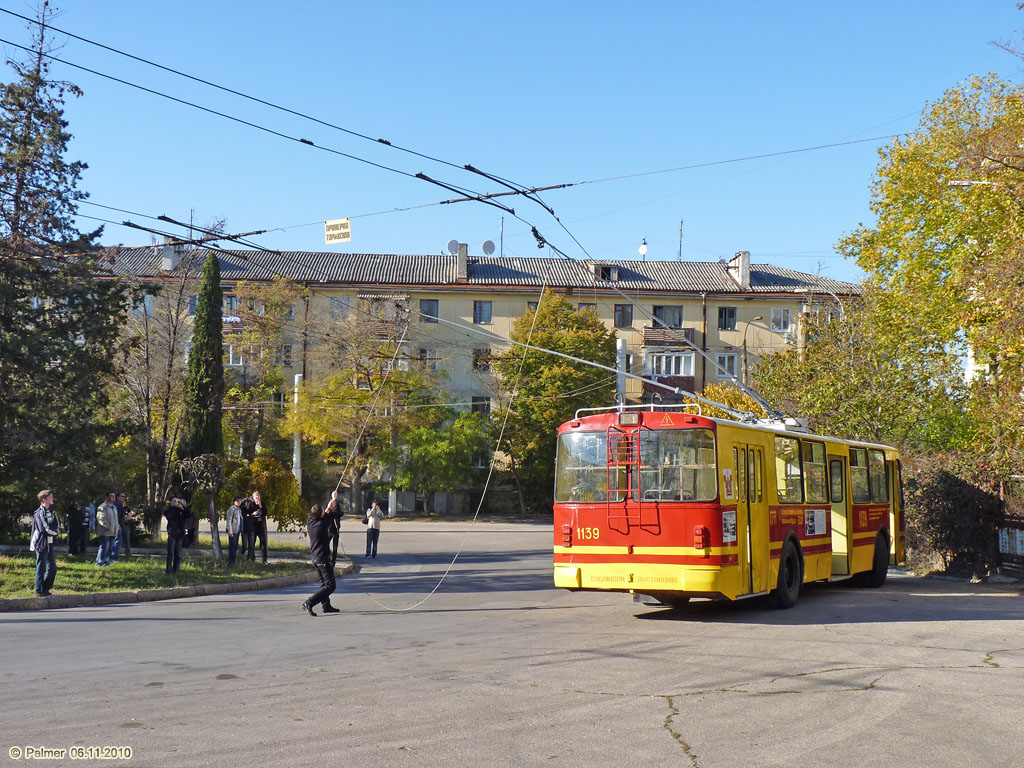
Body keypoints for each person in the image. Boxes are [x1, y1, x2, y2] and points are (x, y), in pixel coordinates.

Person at [301, 503, 339, 617]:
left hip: (316, 558)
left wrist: (328, 506)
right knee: (330, 586)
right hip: (322, 558)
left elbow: (324, 515)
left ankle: (326, 605)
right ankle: (309, 602)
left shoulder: (310, 521)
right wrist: (333, 503)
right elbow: (331, 516)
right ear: (321, 514)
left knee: (323, 584)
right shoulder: (322, 526)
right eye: (323, 510)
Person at [30, 490, 60, 596]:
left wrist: (56, 531)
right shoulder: (39, 513)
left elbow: (56, 524)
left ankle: (46, 588)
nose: (52, 499)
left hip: (50, 543)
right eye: (50, 497)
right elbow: (43, 528)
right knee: (41, 567)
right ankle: (39, 590)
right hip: (41, 543)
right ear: (44, 499)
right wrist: (55, 532)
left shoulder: (52, 512)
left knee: (53, 568)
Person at [242, 490, 268, 564]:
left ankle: (264, 559)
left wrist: (260, 506)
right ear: (253, 498)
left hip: (261, 526)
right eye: (256, 497)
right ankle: (251, 558)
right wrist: (252, 514)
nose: (257, 498)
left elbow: (265, 512)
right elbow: (247, 513)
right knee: (252, 542)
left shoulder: (262, 503)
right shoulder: (250, 504)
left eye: (258, 496)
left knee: (263, 542)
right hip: (253, 526)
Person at [94, 492, 119, 567]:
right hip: (105, 532)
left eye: (114, 496)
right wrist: (107, 526)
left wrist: (117, 527)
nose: (113, 497)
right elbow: (101, 518)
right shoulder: (103, 506)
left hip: (113, 531)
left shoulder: (114, 507)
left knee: (110, 548)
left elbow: (115, 519)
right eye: (111, 496)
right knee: (104, 546)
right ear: (107, 498)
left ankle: (106, 561)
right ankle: (99, 562)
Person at [164, 496, 187, 574]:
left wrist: (183, 505)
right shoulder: (169, 510)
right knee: (170, 553)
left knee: (178, 554)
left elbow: (188, 514)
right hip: (172, 533)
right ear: (170, 502)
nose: (176, 502)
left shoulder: (180, 510)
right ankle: (168, 570)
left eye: (176, 501)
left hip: (180, 533)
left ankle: (176, 570)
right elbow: (169, 516)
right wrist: (174, 507)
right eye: (174, 501)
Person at [111, 492, 133, 560]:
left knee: (126, 541)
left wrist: (124, 519)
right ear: (118, 497)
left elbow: (130, 516)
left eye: (124, 496)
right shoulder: (116, 505)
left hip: (125, 526)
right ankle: (113, 557)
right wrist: (123, 520)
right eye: (122, 496)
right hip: (117, 526)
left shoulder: (126, 508)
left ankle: (128, 554)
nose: (124, 498)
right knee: (116, 541)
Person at [325, 490, 344, 566]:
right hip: (332, 528)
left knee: (332, 545)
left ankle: (332, 560)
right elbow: (337, 513)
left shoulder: (331, 505)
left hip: (333, 528)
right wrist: (341, 513)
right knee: (331, 545)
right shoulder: (333, 504)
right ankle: (330, 560)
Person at [225, 495, 244, 565]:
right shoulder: (231, 509)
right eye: (237, 501)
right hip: (233, 531)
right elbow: (229, 520)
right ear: (234, 502)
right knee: (232, 547)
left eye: (240, 501)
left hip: (238, 530)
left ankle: (233, 561)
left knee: (235, 546)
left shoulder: (239, 509)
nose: (239, 502)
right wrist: (230, 531)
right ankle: (231, 562)